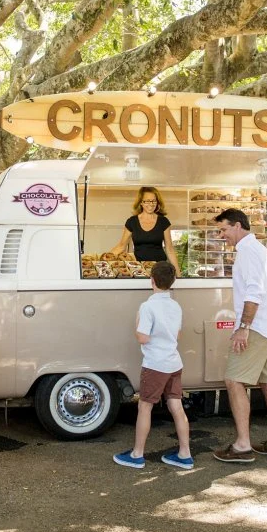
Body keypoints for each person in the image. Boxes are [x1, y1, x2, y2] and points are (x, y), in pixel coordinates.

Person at [213, 208, 267, 463]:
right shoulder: (261, 250)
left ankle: (242, 446)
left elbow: (253, 293)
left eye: (223, 229)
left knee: (234, 381)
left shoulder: (247, 251)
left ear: (237, 225)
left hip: (255, 327)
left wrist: (243, 327)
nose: (222, 235)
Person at [114, 260, 193, 469]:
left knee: (145, 406)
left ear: (152, 281)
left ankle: (137, 454)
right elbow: (177, 334)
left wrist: (137, 321)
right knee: (176, 405)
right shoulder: (176, 306)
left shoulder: (147, 307)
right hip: (174, 362)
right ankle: (185, 454)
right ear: (173, 281)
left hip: (155, 364)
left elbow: (142, 338)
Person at [110, 186, 181, 276]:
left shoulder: (164, 221)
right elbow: (121, 246)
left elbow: (170, 249)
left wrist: (178, 274)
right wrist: (101, 260)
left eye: (153, 201)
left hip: (160, 269)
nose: (151, 204)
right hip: (138, 269)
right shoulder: (132, 221)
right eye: (147, 201)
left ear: (157, 202)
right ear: (141, 203)